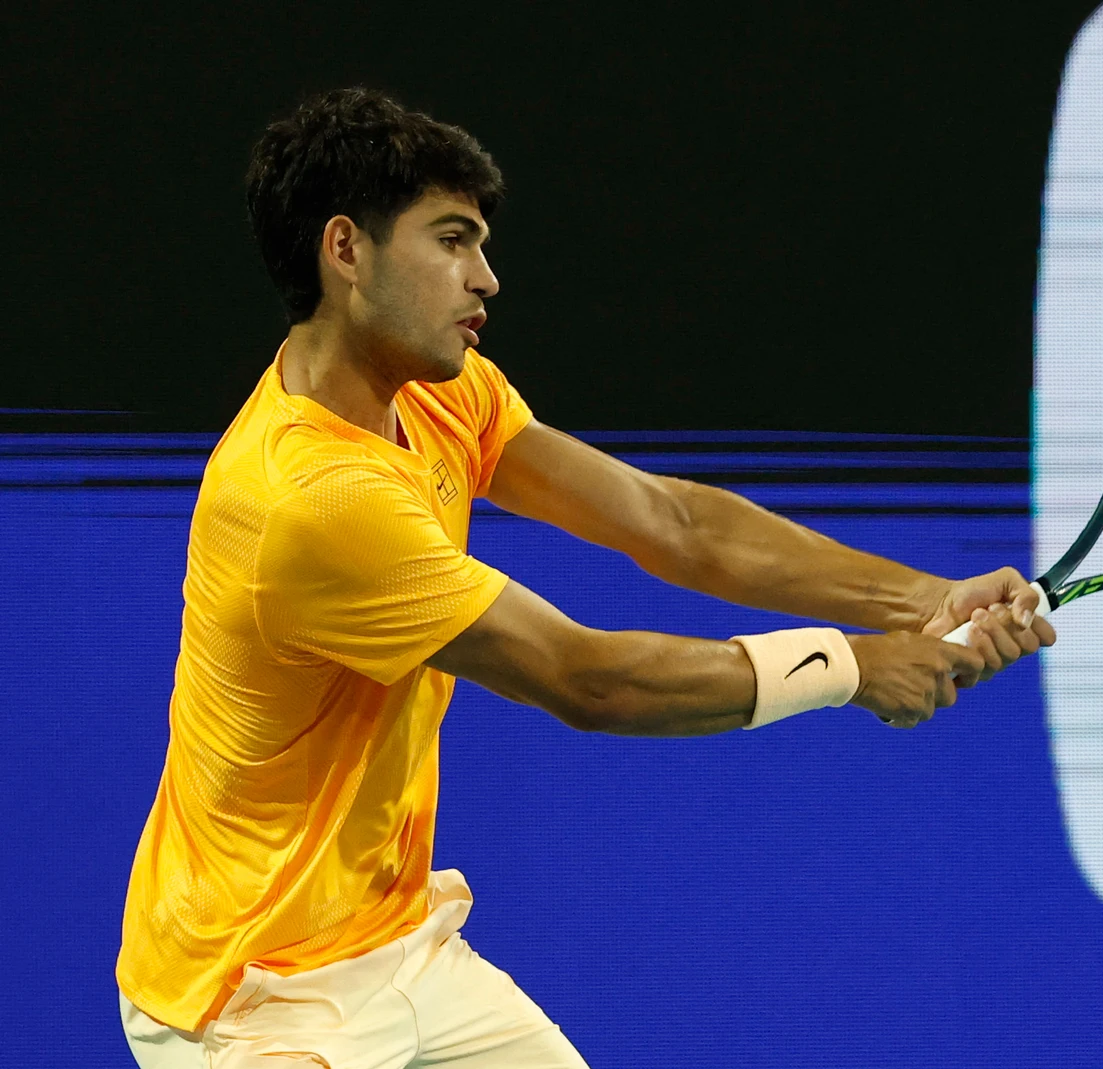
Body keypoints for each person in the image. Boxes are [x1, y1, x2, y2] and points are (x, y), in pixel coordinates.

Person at [116, 87, 1055, 1069]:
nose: (485, 277)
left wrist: (922, 600)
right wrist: (849, 667)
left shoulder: (439, 398)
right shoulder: (312, 497)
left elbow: (673, 523)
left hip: (392, 942)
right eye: (451, 240)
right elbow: (586, 678)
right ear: (346, 250)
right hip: (250, 998)